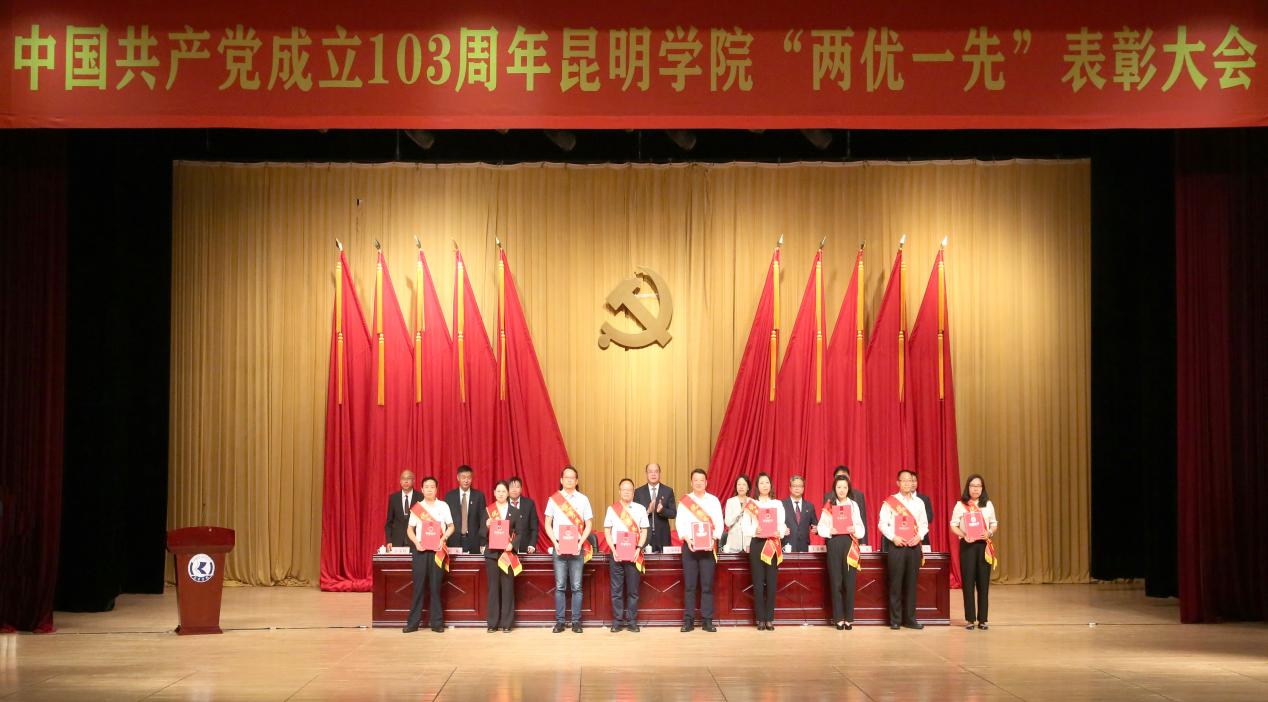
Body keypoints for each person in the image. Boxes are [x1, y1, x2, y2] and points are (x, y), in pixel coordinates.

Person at [543, 465, 593, 633]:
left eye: (572, 478)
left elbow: (589, 524)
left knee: (577, 586)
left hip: (577, 547)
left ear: (576, 481)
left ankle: (576, 622)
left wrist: (580, 543)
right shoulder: (554, 499)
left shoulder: (583, 499)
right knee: (560, 586)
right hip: (559, 546)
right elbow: (547, 524)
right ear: (561, 480)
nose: (569, 480)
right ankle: (560, 622)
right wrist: (555, 543)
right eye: (567, 477)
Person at [879, 469, 929, 630]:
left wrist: (919, 536)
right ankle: (895, 619)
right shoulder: (890, 502)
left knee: (911, 584)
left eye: (910, 480)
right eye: (904, 480)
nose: (908, 483)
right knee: (896, 583)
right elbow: (882, 524)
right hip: (897, 546)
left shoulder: (919, 503)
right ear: (898, 483)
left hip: (914, 547)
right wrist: (894, 537)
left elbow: (924, 524)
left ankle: (910, 619)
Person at [403, 476, 454, 634]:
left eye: (432, 487)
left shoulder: (443, 506)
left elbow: (451, 526)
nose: (429, 489)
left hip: (437, 551)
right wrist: (416, 542)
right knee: (418, 587)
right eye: (426, 487)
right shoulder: (417, 507)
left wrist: (443, 539)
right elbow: (409, 529)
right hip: (420, 551)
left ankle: (437, 623)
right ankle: (413, 623)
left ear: (436, 489)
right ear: (422, 489)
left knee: (435, 587)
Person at [676, 467, 723, 633]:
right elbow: (680, 523)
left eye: (701, 480)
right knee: (690, 586)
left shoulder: (713, 501)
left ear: (706, 482)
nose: (698, 483)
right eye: (695, 480)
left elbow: (719, 523)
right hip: (690, 547)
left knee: (707, 585)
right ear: (691, 482)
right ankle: (688, 620)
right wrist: (686, 538)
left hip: (708, 548)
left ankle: (707, 620)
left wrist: (713, 539)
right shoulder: (685, 501)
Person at [740, 472, 789, 630]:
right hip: (757, 544)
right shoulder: (751, 504)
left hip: (772, 544)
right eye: (761, 483)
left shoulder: (777, 504)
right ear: (757, 486)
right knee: (758, 582)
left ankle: (769, 619)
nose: (765, 485)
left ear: (771, 485)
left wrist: (780, 532)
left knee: (772, 583)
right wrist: (754, 530)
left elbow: (782, 524)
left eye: (767, 482)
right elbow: (744, 526)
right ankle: (760, 619)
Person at [951, 473, 998, 631]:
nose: (975, 489)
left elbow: (994, 524)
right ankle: (970, 619)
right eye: (973, 486)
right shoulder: (960, 505)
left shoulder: (988, 504)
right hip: (968, 546)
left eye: (978, 486)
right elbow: (953, 525)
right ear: (968, 487)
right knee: (968, 583)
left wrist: (989, 533)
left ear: (982, 488)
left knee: (983, 584)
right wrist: (963, 535)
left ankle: (983, 619)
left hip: (983, 547)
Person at [819, 474, 865, 630]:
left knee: (849, 582)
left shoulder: (854, 505)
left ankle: (849, 619)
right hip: (834, 543)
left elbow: (861, 528)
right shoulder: (829, 505)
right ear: (834, 488)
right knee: (836, 582)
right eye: (839, 487)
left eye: (845, 487)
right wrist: (829, 530)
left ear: (848, 488)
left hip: (849, 543)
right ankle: (838, 618)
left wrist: (854, 529)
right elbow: (821, 527)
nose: (842, 490)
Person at [603, 477, 649, 632]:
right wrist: (613, 549)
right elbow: (607, 531)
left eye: (629, 489)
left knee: (633, 590)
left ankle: (632, 621)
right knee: (616, 590)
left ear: (633, 492)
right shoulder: (612, 509)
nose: (627, 492)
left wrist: (638, 549)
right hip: (616, 551)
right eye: (624, 489)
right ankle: (617, 621)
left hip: (634, 551)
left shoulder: (640, 509)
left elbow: (644, 531)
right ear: (619, 491)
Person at [479, 480, 517, 633]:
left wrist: (512, 545)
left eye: (503, 491)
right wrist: (487, 525)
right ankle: (492, 623)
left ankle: (507, 623)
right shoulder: (488, 511)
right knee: (493, 589)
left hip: (507, 554)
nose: (501, 494)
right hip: (492, 555)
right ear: (494, 493)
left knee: (508, 588)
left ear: (508, 493)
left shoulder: (514, 511)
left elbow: (520, 533)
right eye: (498, 491)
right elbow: (481, 533)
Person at [633, 462, 676, 552]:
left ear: (660, 473)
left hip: (663, 536)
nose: (653, 474)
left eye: (656, 471)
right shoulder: (638, 492)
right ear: (646, 474)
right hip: (645, 536)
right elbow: (635, 516)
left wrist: (662, 510)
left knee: (664, 561)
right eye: (650, 472)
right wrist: (648, 511)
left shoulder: (668, 491)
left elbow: (673, 513)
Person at [443, 465, 486, 553]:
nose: (466, 480)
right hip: (454, 539)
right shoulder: (449, 496)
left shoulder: (479, 496)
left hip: (474, 540)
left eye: (469, 477)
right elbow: (445, 520)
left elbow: (483, 520)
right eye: (463, 477)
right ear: (458, 478)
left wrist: (483, 542)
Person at [823, 465, 869, 546]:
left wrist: (863, 542)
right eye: (838, 477)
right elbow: (825, 522)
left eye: (844, 476)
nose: (841, 479)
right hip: (834, 541)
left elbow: (862, 520)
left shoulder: (858, 496)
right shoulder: (828, 497)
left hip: (853, 541)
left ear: (849, 478)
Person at [384, 470, 423, 549]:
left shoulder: (420, 497)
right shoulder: (394, 498)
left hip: (415, 541)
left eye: (408, 478)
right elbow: (389, 522)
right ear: (400, 481)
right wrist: (389, 541)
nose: (406, 481)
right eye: (403, 479)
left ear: (413, 481)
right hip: (397, 541)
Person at [781, 475, 815, 552]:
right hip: (786, 546)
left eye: (799, 486)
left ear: (803, 488)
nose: (797, 488)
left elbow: (815, 525)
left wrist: (816, 529)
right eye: (794, 486)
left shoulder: (809, 506)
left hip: (804, 547)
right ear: (790, 488)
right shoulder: (781, 505)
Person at [506, 476, 539, 554]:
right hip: (506, 547)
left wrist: (532, 544)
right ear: (507, 489)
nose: (514, 490)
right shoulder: (503, 504)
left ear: (521, 489)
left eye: (517, 487)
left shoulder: (529, 504)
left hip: (525, 547)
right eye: (512, 487)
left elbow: (534, 527)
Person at [722, 475, 752, 554]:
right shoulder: (730, 501)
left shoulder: (752, 502)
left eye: (744, 484)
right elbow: (728, 522)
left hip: (748, 542)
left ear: (748, 487)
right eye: (739, 484)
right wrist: (740, 511)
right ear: (736, 487)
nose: (741, 487)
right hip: (733, 542)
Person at [910, 470, 934, 546]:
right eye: (910, 481)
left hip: (921, 536)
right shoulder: (898, 500)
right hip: (904, 535)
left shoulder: (924, 499)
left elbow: (930, 517)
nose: (913, 483)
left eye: (914, 481)